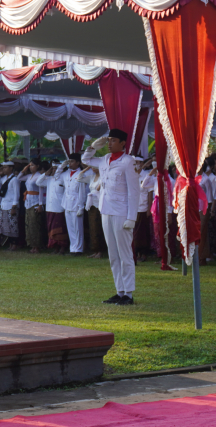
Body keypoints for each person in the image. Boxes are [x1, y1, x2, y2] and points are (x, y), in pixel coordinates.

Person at [83, 129, 140, 305]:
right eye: (108, 141)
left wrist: (132, 217)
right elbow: (85, 160)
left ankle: (128, 294)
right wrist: (92, 147)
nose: (109, 144)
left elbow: (134, 192)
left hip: (122, 212)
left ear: (123, 143)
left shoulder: (128, 162)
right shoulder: (105, 160)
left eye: (113, 140)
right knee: (113, 254)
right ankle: (119, 290)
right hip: (106, 210)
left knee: (125, 254)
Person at [37, 162, 69, 254]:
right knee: (51, 228)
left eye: (56, 168)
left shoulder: (63, 179)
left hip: (59, 207)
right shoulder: (49, 179)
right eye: (53, 168)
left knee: (60, 229)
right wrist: (47, 173)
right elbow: (38, 182)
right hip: (50, 207)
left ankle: (62, 248)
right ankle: (55, 248)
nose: (54, 170)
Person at [60, 153, 88, 256]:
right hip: (67, 203)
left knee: (78, 228)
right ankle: (73, 248)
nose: (70, 163)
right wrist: (61, 166)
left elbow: (82, 192)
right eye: (69, 161)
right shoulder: (66, 173)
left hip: (76, 203)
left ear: (78, 163)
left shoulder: (81, 174)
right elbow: (56, 177)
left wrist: (81, 207)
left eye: (72, 161)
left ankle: (79, 249)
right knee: (70, 227)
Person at [20, 159, 46, 253]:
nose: (31, 167)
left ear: (37, 166)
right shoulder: (29, 176)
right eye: (30, 166)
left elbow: (41, 191)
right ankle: (31, 245)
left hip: (35, 202)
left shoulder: (39, 176)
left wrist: (40, 205)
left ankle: (37, 245)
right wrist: (24, 169)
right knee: (29, 224)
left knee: (35, 224)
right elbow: (18, 178)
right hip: (28, 202)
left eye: (33, 165)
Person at [83, 166, 105, 258]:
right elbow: (79, 178)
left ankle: (100, 251)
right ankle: (95, 250)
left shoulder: (103, 177)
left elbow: (98, 190)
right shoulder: (91, 177)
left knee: (98, 228)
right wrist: (86, 168)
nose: (93, 168)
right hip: (91, 204)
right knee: (92, 228)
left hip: (99, 204)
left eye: (95, 166)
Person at [0, 162, 19, 250]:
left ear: (11, 168)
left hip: (11, 205)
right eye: (3, 167)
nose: (4, 169)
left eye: (5, 167)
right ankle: (9, 244)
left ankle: (14, 244)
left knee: (13, 226)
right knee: (6, 226)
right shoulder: (3, 179)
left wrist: (14, 207)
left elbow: (16, 194)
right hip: (4, 205)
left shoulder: (15, 179)